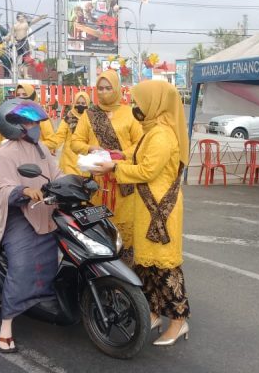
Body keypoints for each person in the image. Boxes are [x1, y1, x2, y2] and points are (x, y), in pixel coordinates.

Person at [92, 80, 191, 346]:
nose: (136, 106)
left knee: (164, 266)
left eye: (140, 101)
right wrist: (111, 157)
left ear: (154, 103)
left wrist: (113, 168)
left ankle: (179, 321)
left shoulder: (162, 135)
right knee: (145, 264)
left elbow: (147, 170)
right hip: (147, 208)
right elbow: (132, 153)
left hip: (160, 210)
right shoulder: (152, 131)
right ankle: (153, 312)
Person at [0, 99, 61, 354]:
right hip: (18, 215)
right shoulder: (6, 153)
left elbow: (56, 173)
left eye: (35, 122)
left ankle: (43, 299)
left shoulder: (41, 147)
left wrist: (76, 182)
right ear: (14, 126)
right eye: (29, 123)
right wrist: (24, 191)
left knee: (56, 257)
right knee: (21, 266)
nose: (35, 127)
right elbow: (1, 189)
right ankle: (6, 325)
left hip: (44, 210)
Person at [71, 70, 143, 250]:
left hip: (123, 179)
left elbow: (141, 144)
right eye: (100, 88)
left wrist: (122, 154)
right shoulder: (89, 115)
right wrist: (91, 148)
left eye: (108, 88)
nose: (103, 92)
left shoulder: (130, 114)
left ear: (117, 88)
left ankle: (124, 265)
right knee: (98, 226)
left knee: (125, 226)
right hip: (97, 181)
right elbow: (75, 142)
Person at [44, 91, 90, 175]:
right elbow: (59, 136)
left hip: (87, 162)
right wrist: (50, 146)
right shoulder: (68, 119)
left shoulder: (91, 120)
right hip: (69, 162)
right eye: (78, 103)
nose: (80, 105)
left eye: (83, 103)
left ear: (88, 104)